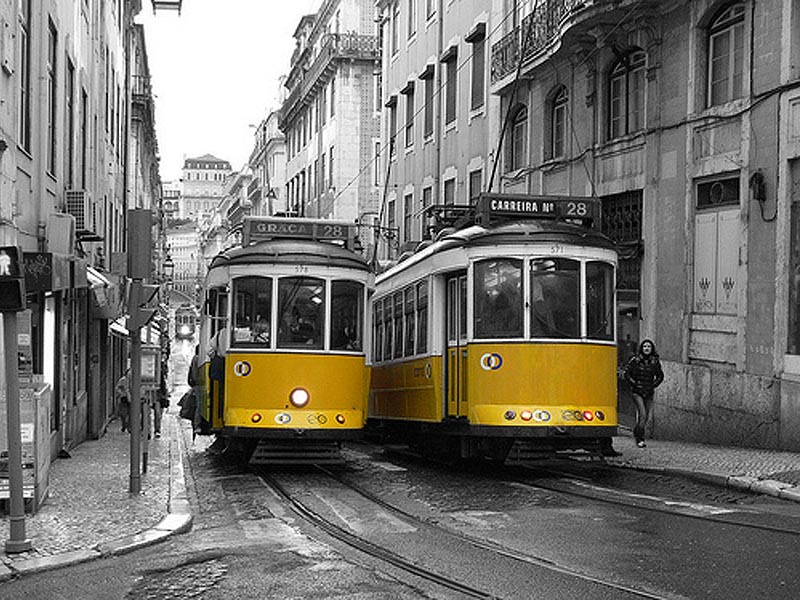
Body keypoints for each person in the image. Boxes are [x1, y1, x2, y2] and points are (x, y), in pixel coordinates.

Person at [623, 339, 665, 448]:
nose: (646, 348)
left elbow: (660, 376)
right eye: (645, 346)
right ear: (642, 348)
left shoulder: (655, 361)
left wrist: (653, 385)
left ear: (652, 349)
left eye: (649, 347)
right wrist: (634, 384)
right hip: (637, 392)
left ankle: (637, 432)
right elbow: (627, 373)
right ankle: (640, 439)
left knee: (645, 418)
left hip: (649, 392)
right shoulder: (635, 360)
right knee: (643, 414)